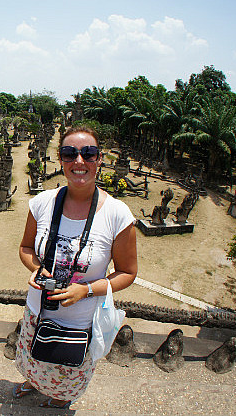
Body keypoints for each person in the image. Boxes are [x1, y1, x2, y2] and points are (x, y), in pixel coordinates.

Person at [14, 125, 138, 408]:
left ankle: (61, 399)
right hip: (39, 309)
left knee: (68, 374)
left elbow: (128, 272)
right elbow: (25, 249)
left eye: (88, 153)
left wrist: (86, 290)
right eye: (70, 153)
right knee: (33, 358)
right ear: (61, 159)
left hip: (81, 321)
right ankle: (34, 382)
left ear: (99, 159)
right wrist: (36, 268)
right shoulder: (42, 203)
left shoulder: (118, 214)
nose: (79, 161)